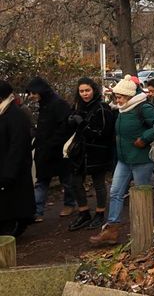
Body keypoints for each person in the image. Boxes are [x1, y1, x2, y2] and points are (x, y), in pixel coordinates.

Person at [89, 75, 154, 245]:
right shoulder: (123, 109)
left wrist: (145, 138)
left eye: (119, 97)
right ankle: (112, 229)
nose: (117, 100)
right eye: (116, 97)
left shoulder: (142, 108)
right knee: (116, 192)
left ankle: (144, 229)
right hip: (124, 159)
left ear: (129, 96)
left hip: (141, 160)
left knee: (141, 194)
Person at [66, 77, 115, 231]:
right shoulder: (78, 106)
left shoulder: (102, 108)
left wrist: (82, 124)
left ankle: (100, 213)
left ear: (94, 90)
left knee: (98, 183)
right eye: (81, 91)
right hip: (80, 151)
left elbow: (104, 133)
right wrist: (71, 121)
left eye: (87, 90)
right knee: (75, 181)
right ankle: (84, 212)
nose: (85, 94)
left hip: (97, 151)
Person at [26, 77, 76, 222]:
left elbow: (65, 127)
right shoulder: (44, 104)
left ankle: (69, 204)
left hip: (58, 150)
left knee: (66, 179)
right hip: (44, 149)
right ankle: (37, 211)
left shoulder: (58, 104)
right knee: (42, 181)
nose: (31, 97)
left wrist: (52, 142)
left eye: (33, 93)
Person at [0, 81, 35, 237]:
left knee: (14, 201)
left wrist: (9, 172)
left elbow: (17, 145)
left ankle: (14, 226)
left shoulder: (15, 115)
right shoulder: (5, 112)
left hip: (13, 168)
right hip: (7, 165)